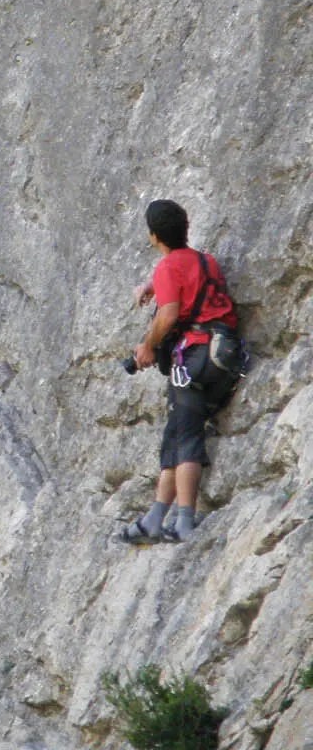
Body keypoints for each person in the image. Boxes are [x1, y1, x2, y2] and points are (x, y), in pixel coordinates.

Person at [119, 200, 241, 545]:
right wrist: (151, 285)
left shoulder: (166, 268)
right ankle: (156, 517)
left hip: (194, 358)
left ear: (153, 236)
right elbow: (187, 280)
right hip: (224, 353)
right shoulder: (205, 260)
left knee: (186, 438)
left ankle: (183, 520)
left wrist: (146, 346)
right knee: (176, 433)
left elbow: (169, 315)